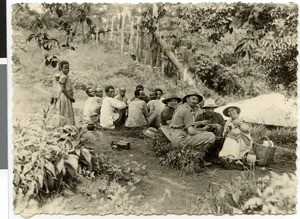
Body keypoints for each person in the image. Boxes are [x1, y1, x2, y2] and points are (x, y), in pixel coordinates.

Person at [169, 91, 216, 166]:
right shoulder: (186, 110)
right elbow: (191, 131)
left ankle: (194, 156)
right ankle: (198, 159)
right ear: (187, 99)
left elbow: (187, 125)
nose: (195, 101)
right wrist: (203, 132)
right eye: (193, 99)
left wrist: (201, 126)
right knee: (211, 136)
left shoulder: (181, 108)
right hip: (180, 139)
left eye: (197, 100)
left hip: (176, 136)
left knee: (202, 134)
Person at [57, 61, 75, 126]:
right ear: (61, 69)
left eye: (68, 68)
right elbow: (63, 89)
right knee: (65, 111)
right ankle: (65, 126)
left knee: (68, 111)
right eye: (65, 68)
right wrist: (70, 97)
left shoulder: (66, 76)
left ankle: (69, 126)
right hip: (65, 96)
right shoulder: (63, 77)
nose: (67, 69)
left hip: (67, 97)